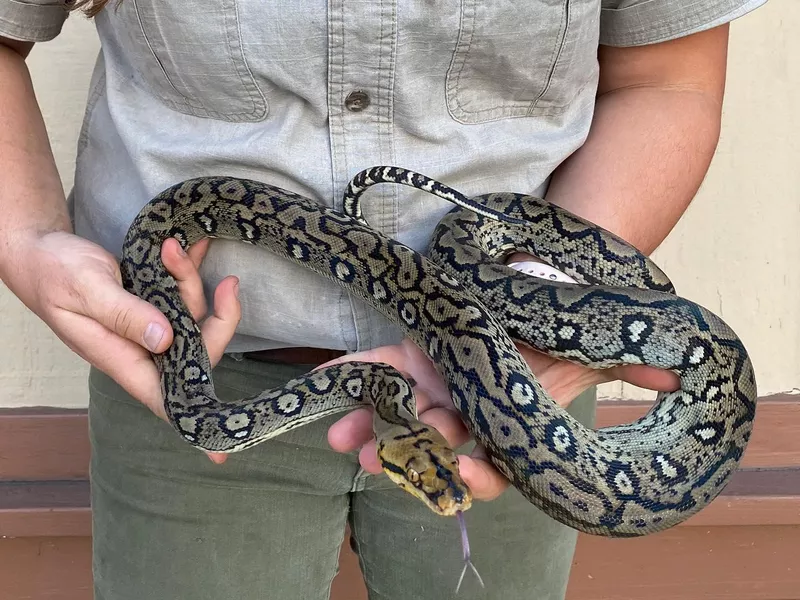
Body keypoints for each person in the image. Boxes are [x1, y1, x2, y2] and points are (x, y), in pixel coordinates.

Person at [0, 0, 765, 598]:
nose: (444, 499)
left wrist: (543, 341)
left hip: (525, 377)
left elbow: (667, 80)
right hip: (188, 379)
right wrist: (28, 240)